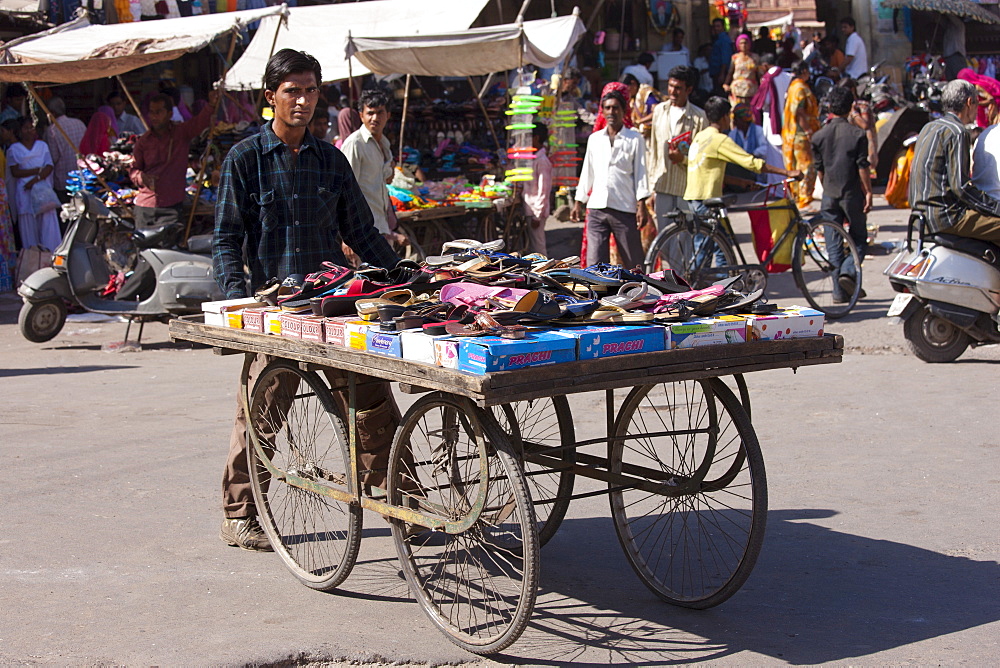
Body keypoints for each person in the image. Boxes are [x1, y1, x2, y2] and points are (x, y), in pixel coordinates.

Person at [213, 49, 400, 552]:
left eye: (311, 90)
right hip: (273, 310)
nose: (302, 100)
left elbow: (361, 230)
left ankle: (401, 498)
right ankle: (242, 512)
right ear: (269, 98)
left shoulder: (330, 160)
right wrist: (237, 301)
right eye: (292, 90)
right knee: (261, 410)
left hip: (332, 306)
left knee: (372, 401)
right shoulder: (245, 159)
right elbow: (227, 238)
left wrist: (402, 277)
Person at [910, 79, 1000, 245]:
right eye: (976, 104)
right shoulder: (957, 132)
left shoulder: (929, 127)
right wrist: (995, 208)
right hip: (946, 217)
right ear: (968, 103)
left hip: (920, 215)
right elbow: (961, 187)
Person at [572, 83, 652, 268]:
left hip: (624, 207)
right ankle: (600, 297)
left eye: (615, 108)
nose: (611, 112)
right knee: (595, 266)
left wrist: (641, 204)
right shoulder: (595, 139)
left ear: (623, 110)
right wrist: (579, 201)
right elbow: (587, 172)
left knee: (634, 264)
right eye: (607, 108)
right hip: (597, 208)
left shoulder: (634, 138)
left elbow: (641, 173)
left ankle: (641, 295)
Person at [812, 86, 872, 302]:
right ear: (850, 108)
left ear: (830, 107)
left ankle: (838, 291)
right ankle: (848, 271)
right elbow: (862, 167)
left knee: (833, 243)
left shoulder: (819, 136)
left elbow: (820, 170)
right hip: (851, 193)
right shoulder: (857, 134)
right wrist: (868, 193)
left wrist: (827, 187)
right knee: (860, 238)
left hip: (830, 193)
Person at [684, 96, 799, 209]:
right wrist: (787, 172)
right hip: (706, 198)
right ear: (724, 117)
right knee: (720, 228)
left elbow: (709, 171)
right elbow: (752, 163)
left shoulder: (701, 136)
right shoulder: (719, 139)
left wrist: (740, 182)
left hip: (693, 196)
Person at [129, 91, 215, 230]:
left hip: (171, 206)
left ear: (169, 114)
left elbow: (200, 122)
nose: (154, 117)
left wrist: (211, 105)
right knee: (145, 250)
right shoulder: (143, 141)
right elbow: (134, 170)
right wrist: (142, 177)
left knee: (170, 251)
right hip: (146, 207)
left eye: (158, 112)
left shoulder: (180, 133)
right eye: (152, 112)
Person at [648, 65, 708, 227]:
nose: (673, 92)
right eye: (671, 86)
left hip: (686, 188)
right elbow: (653, 151)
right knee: (664, 240)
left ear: (688, 90)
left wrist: (683, 159)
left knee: (685, 239)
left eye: (678, 88)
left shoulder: (699, 118)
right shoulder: (659, 111)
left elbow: (703, 158)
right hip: (663, 185)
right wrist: (651, 187)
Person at [341, 88, 396, 238]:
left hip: (380, 224)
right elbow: (345, 191)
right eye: (370, 113)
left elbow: (385, 180)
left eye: (380, 113)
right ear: (361, 116)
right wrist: (348, 235)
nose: (375, 118)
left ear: (388, 115)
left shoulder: (384, 144)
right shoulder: (355, 144)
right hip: (360, 229)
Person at [7, 117, 62, 252]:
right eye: (26, 128)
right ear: (19, 132)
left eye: (32, 127)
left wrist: (36, 179)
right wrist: (37, 171)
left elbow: (49, 166)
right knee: (28, 227)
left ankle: (52, 256)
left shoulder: (42, 146)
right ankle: (33, 259)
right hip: (25, 192)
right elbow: (15, 172)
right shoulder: (14, 150)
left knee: (48, 224)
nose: (30, 131)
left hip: (43, 191)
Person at [781, 60, 820, 211]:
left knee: (797, 166)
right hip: (800, 134)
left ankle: (799, 199)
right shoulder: (800, 88)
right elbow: (800, 111)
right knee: (807, 166)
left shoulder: (793, 87)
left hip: (793, 134)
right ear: (804, 71)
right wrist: (808, 130)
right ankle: (803, 199)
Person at [42, 97, 86, 205]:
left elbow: (53, 158)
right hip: (82, 177)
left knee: (66, 214)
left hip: (64, 181)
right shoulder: (79, 123)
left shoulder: (52, 130)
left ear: (51, 113)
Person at [523, 123, 552, 255]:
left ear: (536, 138)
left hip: (536, 210)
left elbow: (544, 191)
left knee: (538, 248)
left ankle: (545, 272)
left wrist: (537, 215)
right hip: (532, 209)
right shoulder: (535, 158)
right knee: (534, 247)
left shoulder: (542, 161)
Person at [623, 73, 662, 139]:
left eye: (627, 90)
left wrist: (640, 121)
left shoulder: (646, 93)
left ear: (633, 84)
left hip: (654, 132)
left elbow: (657, 111)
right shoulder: (632, 99)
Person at [723, 33, 759, 104]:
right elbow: (730, 72)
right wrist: (726, 84)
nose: (743, 45)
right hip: (737, 90)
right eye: (741, 43)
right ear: (738, 45)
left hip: (751, 90)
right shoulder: (735, 57)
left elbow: (759, 73)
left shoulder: (755, 57)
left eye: (745, 43)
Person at [709, 19, 734, 93]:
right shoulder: (717, 39)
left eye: (718, 26)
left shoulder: (724, 40)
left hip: (721, 72)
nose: (716, 29)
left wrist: (722, 74)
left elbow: (725, 58)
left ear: (723, 27)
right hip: (716, 72)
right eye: (714, 27)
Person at [840, 17, 868, 81]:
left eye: (845, 27)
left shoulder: (853, 39)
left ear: (852, 27)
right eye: (842, 27)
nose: (843, 30)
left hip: (855, 75)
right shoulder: (853, 38)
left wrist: (838, 70)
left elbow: (849, 58)